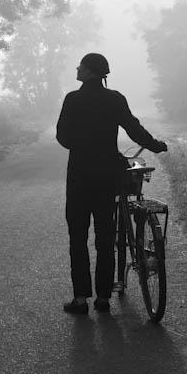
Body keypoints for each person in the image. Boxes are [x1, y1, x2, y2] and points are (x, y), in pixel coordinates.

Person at [56, 52, 167, 314]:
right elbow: (133, 128)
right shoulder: (115, 99)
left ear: (89, 71)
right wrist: (155, 145)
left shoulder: (73, 99)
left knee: (78, 237)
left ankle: (81, 299)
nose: (77, 68)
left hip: (79, 175)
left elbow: (62, 136)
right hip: (107, 176)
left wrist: (83, 147)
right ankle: (103, 298)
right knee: (106, 237)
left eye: (80, 65)